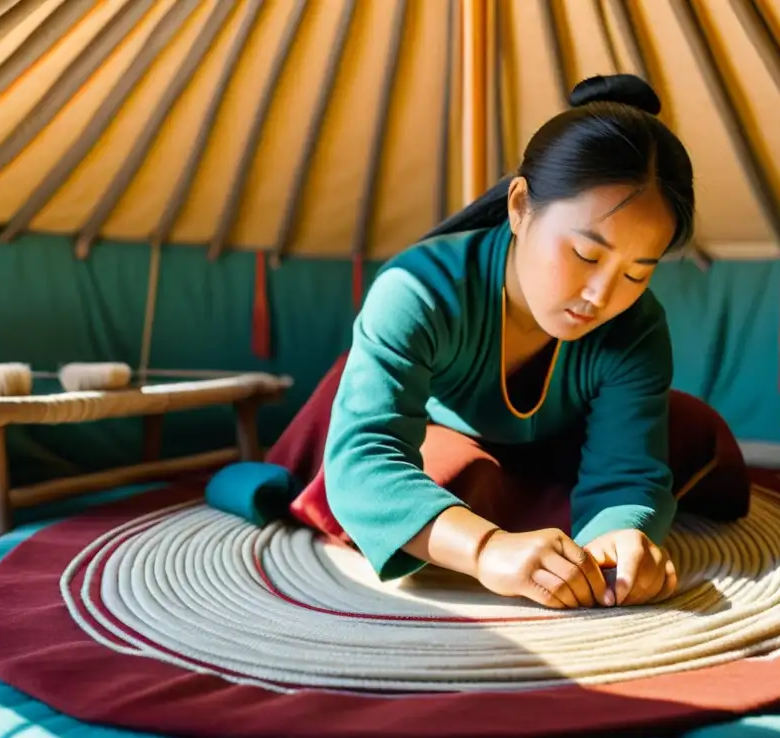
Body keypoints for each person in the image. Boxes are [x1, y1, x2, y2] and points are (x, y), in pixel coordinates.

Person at [267, 73, 751, 611]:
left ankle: (538, 518)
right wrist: (485, 549)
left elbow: (627, 468)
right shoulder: (417, 290)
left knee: (689, 429)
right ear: (520, 207)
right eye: (587, 255)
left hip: (559, 441)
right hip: (446, 437)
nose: (601, 294)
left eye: (637, 273)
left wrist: (619, 533)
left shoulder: (636, 324)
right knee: (452, 479)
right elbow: (365, 458)